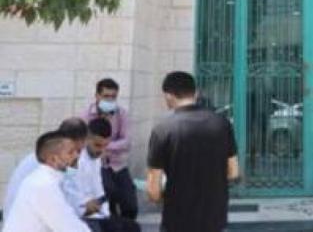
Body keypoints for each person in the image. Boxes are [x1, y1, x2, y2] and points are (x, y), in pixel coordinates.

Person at [146, 71, 239, 232]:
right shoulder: (222, 124)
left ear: (168, 96)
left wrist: (166, 196)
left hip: (177, 219)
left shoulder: (162, 130)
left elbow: (153, 192)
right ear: (195, 93)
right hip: (214, 218)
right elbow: (233, 172)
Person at [2, 131, 90, 232]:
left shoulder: (48, 179)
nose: (76, 156)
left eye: (77, 151)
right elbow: (69, 226)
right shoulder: (43, 184)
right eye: (70, 152)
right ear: (53, 159)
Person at [63, 118, 141, 232]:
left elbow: (98, 190)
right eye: (97, 145)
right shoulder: (74, 160)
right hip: (80, 215)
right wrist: (85, 206)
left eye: (105, 146)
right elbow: (69, 193)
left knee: (132, 227)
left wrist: (104, 213)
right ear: (87, 138)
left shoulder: (97, 159)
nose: (101, 150)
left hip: (97, 214)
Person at [82, 78, 137, 220]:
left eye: (113, 97)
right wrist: (100, 148)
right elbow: (83, 141)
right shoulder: (86, 115)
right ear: (97, 96)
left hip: (117, 164)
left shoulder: (121, 114)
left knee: (130, 204)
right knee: (108, 195)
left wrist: (105, 145)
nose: (110, 100)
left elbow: (127, 142)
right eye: (106, 96)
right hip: (96, 164)